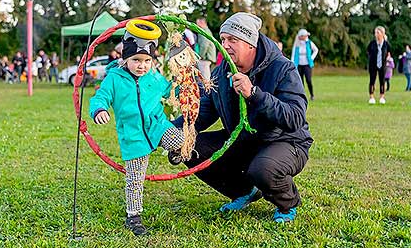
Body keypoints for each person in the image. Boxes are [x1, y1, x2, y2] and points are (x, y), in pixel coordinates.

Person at [174, 12, 313, 223]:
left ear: (250, 43)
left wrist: (255, 94)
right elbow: (205, 111)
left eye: (232, 40)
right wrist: (171, 132)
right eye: (222, 39)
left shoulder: (282, 68)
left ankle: (287, 203)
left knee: (263, 169)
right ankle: (245, 191)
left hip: (285, 142)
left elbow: (294, 118)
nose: (225, 45)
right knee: (188, 146)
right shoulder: (222, 72)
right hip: (243, 141)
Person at [89, 20, 184, 236]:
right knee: (135, 180)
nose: (142, 65)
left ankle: (174, 151)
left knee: (180, 139)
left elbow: (169, 90)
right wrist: (100, 110)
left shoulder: (153, 77)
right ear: (126, 59)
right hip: (133, 138)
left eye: (147, 61)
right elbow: (100, 98)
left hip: (157, 126)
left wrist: (182, 88)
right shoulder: (114, 79)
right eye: (136, 60)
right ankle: (133, 216)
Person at [291, 29, 319, 100]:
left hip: (307, 64)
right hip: (299, 64)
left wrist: (312, 58)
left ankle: (312, 94)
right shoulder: (296, 43)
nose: (306, 36)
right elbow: (293, 54)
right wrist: (292, 63)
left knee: (308, 80)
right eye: (305, 35)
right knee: (300, 81)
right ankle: (302, 96)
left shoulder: (309, 42)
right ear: (301, 36)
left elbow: (316, 50)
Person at [367, 26, 391, 104]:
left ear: (382, 33)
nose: (376, 34)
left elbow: (389, 53)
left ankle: (382, 97)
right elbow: (368, 51)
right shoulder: (372, 43)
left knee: (382, 81)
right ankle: (371, 97)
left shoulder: (386, 44)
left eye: (378, 32)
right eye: (375, 33)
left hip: (382, 65)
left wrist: (388, 57)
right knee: (372, 80)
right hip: (373, 65)